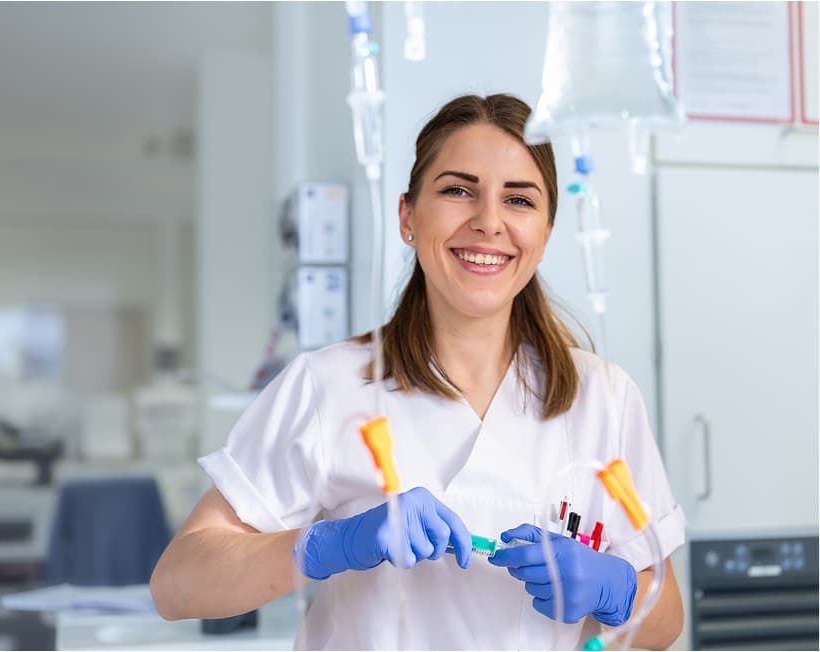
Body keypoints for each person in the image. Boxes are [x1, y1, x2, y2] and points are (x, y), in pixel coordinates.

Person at [150, 93, 686, 650]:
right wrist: (328, 545)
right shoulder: (329, 385)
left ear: (546, 233)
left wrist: (616, 591)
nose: (489, 222)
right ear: (407, 216)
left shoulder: (603, 397)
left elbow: (666, 619)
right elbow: (177, 584)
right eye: (458, 191)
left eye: (519, 200)